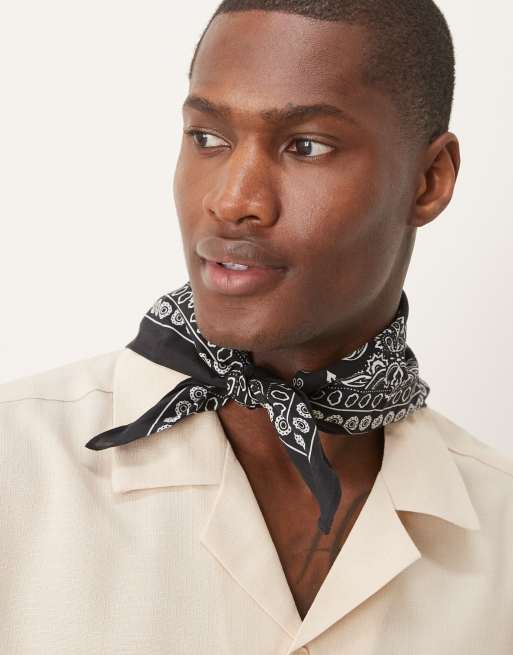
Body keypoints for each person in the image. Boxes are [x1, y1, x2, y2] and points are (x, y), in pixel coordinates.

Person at [2, 1, 513, 653]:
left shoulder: (498, 528)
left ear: (428, 180)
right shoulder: (15, 466)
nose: (232, 200)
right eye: (207, 138)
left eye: (306, 146)